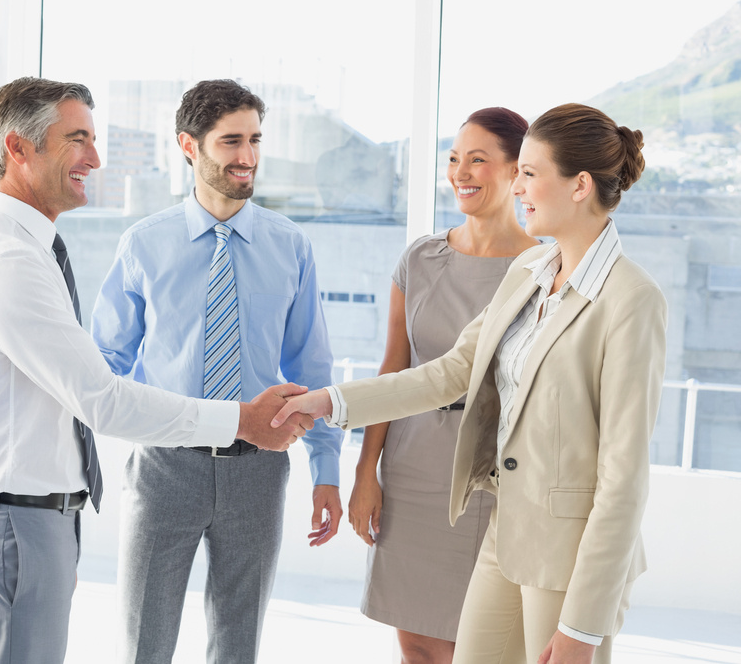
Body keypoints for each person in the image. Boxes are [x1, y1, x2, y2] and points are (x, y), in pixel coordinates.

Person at [272, 103, 667, 664]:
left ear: (580, 185)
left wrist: (583, 625)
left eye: (530, 173)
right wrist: (326, 402)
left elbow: (623, 479)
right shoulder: (529, 275)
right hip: (503, 533)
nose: (520, 187)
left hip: (566, 556)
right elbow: (446, 374)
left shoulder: (631, 299)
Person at [0, 77, 311, 664]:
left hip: (42, 516)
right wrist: (241, 420)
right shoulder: (13, 259)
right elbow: (102, 394)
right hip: (31, 514)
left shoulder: (31, 250)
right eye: (77, 139)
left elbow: (78, 388)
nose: (95, 158)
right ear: (18, 148)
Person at [92, 79, 344, 664]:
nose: (247, 157)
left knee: (238, 644)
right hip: (164, 467)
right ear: (189, 145)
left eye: (255, 139)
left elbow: (313, 367)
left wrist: (326, 469)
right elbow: (104, 365)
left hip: (260, 472)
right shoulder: (143, 245)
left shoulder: (290, 246)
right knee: (143, 643)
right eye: (231, 141)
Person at [347, 107, 539, 663]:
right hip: (410, 471)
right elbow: (394, 371)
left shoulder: (542, 269)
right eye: (454, 159)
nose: (461, 172)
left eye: (478, 160)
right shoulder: (420, 259)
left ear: (515, 171)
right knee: (416, 648)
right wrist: (366, 474)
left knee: (474, 646)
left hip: (489, 477)